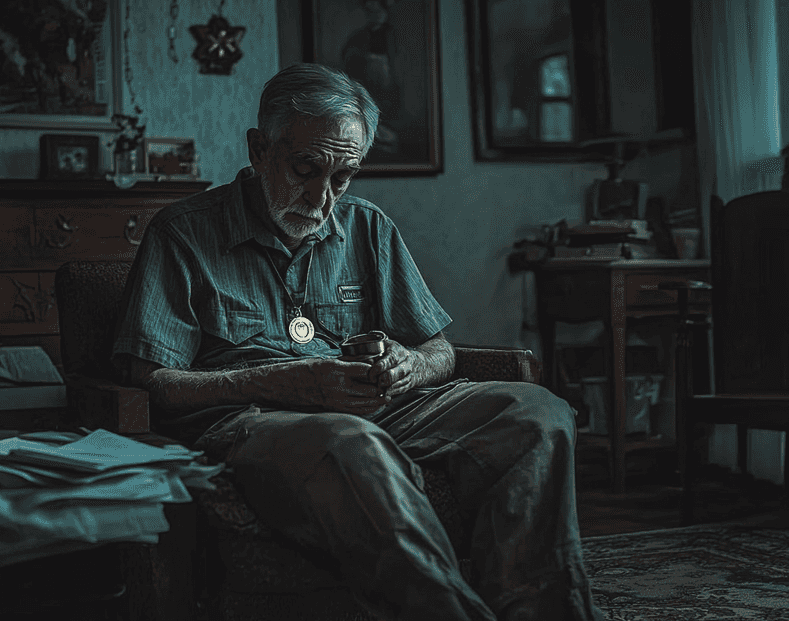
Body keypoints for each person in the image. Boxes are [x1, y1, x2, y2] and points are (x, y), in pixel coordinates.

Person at [112, 63, 604, 621]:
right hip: (259, 421)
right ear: (258, 148)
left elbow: (440, 349)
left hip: (385, 409)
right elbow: (150, 383)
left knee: (539, 411)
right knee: (348, 441)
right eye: (305, 169)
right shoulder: (182, 232)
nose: (323, 199)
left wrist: (410, 366)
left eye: (342, 177)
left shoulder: (368, 227)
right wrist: (280, 381)